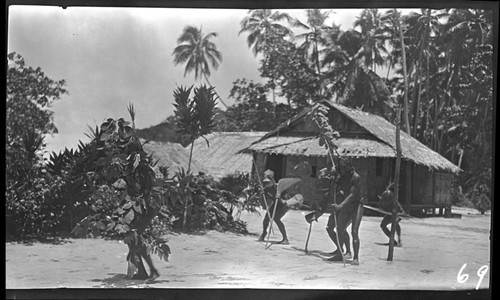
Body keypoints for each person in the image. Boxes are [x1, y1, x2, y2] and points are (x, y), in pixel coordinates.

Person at [327, 162, 365, 265]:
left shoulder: (356, 177)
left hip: (357, 205)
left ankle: (356, 258)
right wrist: (333, 181)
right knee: (340, 228)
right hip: (346, 205)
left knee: (354, 231)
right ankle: (340, 253)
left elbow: (352, 195)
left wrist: (340, 206)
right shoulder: (341, 177)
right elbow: (335, 191)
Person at [257, 169, 290, 244]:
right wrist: (263, 199)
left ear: (272, 181)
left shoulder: (280, 187)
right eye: (265, 182)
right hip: (275, 204)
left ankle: (285, 238)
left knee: (276, 218)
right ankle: (264, 233)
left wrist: (278, 197)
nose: (266, 184)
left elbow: (285, 199)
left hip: (284, 205)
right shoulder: (265, 189)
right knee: (266, 219)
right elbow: (264, 200)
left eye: (268, 182)